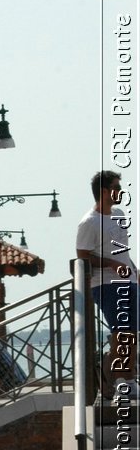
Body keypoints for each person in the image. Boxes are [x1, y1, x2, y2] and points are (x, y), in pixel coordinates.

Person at [76, 171, 140, 401]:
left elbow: (122, 250)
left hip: (129, 280)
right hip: (105, 284)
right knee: (121, 331)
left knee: (131, 332)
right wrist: (112, 264)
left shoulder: (119, 214)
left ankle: (124, 379)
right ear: (104, 191)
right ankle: (123, 381)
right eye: (116, 186)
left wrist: (134, 270)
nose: (120, 190)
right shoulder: (89, 222)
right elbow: (82, 256)